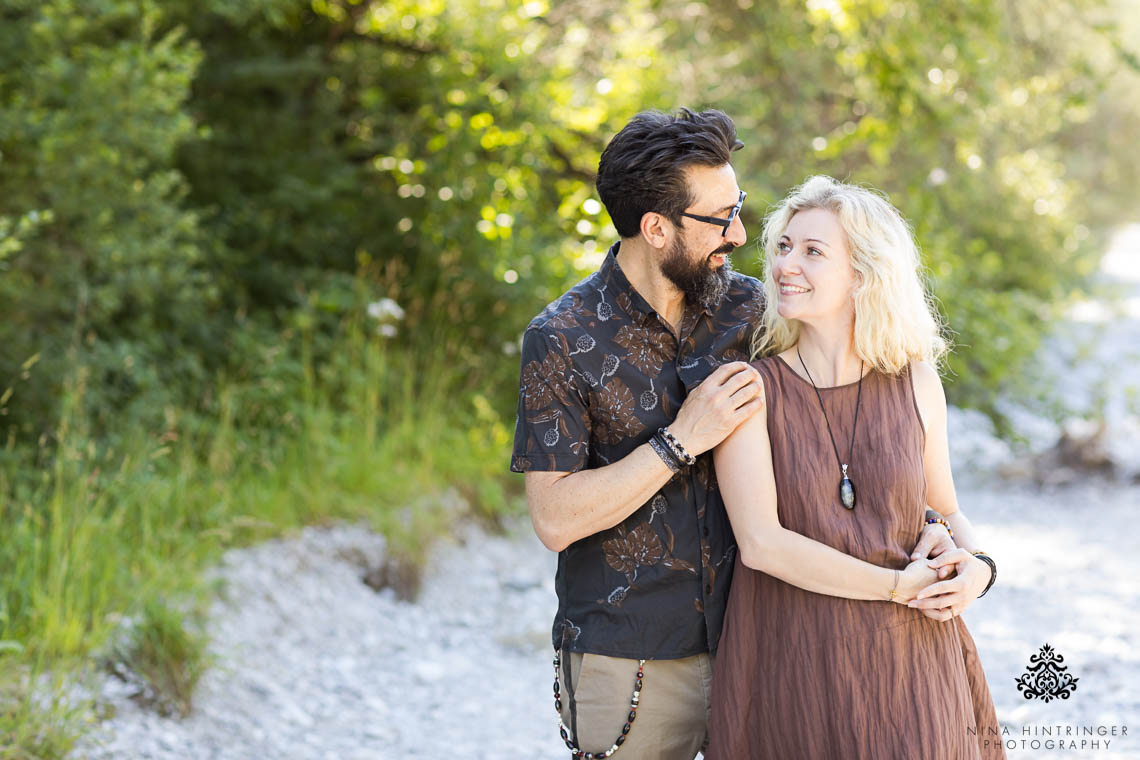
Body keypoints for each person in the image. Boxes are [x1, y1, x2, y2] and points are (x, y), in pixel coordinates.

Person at [511, 111, 959, 760]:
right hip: (628, 655)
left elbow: (851, 419)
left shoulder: (758, 311)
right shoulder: (560, 339)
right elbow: (554, 520)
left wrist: (937, 527)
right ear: (656, 228)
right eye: (718, 218)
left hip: (770, 643)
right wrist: (678, 441)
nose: (741, 233)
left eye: (739, 207)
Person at [705, 175, 1003, 759]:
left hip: (913, 665)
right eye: (784, 247)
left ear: (862, 275)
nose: (787, 264)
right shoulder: (751, 392)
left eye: (813, 251)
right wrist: (893, 587)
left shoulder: (915, 379)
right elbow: (762, 544)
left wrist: (981, 569)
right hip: (793, 663)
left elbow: (945, 507)